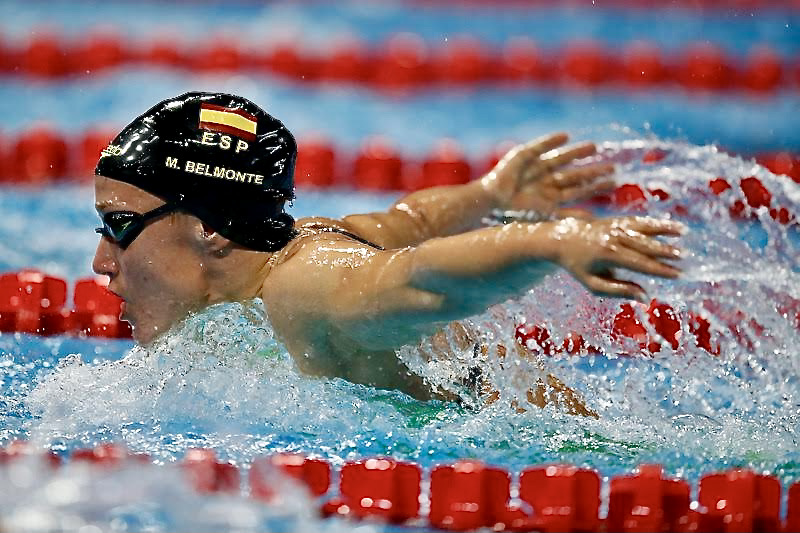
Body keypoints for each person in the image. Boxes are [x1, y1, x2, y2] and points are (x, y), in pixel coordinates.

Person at [93, 92, 684, 412]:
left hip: (562, 446)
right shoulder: (310, 240)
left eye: (119, 225)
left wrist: (553, 240)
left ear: (211, 226)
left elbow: (421, 278)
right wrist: (492, 194)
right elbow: (412, 221)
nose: (101, 262)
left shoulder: (306, 287)